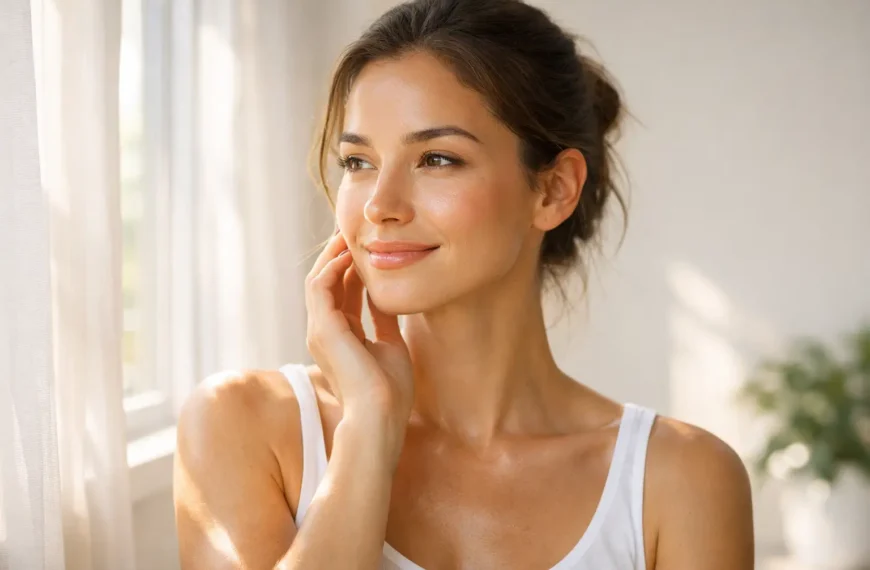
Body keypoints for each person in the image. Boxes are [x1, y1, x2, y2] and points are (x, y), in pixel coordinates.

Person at [174, 0, 755, 568]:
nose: (379, 205)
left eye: (437, 159)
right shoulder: (239, 423)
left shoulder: (681, 480)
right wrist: (369, 428)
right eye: (358, 162)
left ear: (553, 190)